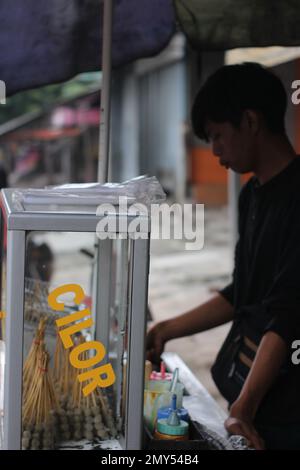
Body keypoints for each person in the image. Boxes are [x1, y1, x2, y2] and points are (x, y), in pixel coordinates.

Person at [146, 62, 300, 450]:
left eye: (217, 136)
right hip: (253, 392)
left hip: (287, 400)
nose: (214, 152)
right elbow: (241, 292)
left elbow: (289, 313)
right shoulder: (252, 195)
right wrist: (165, 330)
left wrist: (244, 409)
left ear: (250, 121)